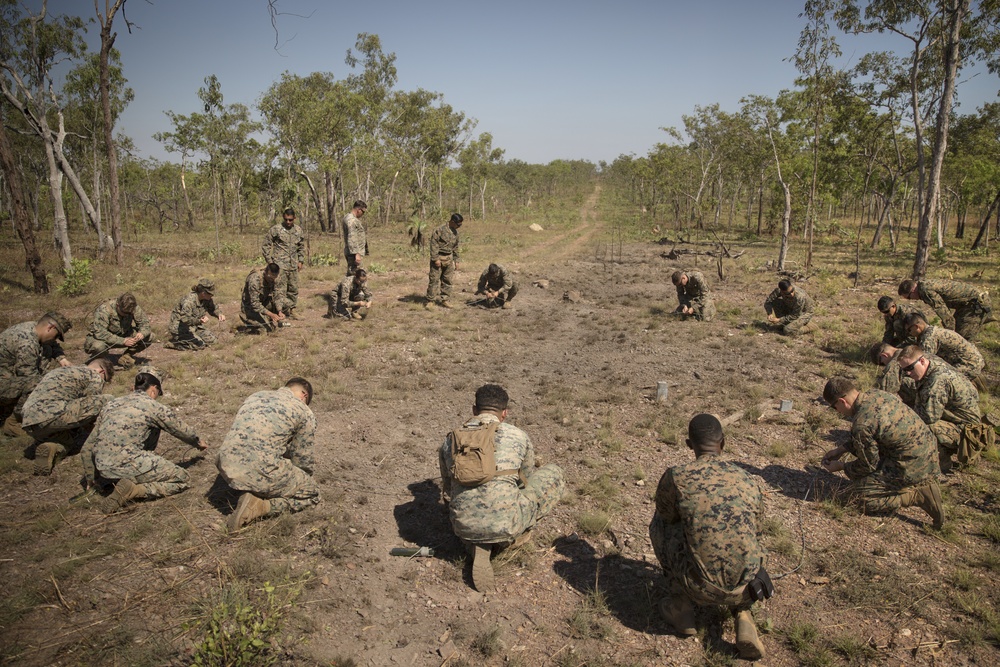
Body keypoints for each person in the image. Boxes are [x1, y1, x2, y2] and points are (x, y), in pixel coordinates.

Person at [648, 413, 768, 660]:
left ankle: (681, 607)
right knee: (747, 538)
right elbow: (757, 529)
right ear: (723, 443)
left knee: (660, 523)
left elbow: (667, 517)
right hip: (748, 587)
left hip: (698, 587)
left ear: (689, 445)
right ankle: (744, 615)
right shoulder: (747, 479)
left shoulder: (676, 476)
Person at [439, 384, 565, 592]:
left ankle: (476, 539)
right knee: (554, 473)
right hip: (506, 522)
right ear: (504, 413)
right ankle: (511, 536)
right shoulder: (517, 435)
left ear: (474, 410)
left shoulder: (451, 439)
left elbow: (447, 486)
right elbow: (527, 477)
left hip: (462, 525)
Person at [821, 377, 943, 528]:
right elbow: (876, 435)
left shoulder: (862, 423)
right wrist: (841, 449)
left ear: (842, 401)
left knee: (853, 498)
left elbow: (867, 466)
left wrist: (841, 466)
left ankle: (916, 496)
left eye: (834, 407)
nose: (837, 412)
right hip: (928, 453)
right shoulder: (877, 394)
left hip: (912, 467)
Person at [83, 366, 207, 513]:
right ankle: (135, 490)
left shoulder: (111, 404)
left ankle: (112, 483)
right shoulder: (153, 406)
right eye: (158, 393)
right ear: (154, 389)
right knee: (182, 479)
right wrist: (198, 442)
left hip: (102, 467)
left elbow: (88, 446)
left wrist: (92, 478)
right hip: (128, 462)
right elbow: (180, 429)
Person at [216, 378, 319, 531]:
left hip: (224, 463)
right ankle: (259, 506)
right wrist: (300, 478)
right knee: (311, 492)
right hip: (259, 468)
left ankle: (251, 487)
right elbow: (302, 460)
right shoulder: (304, 411)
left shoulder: (256, 396)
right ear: (304, 395)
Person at [898, 345, 984, 472]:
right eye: (905, 370)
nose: (908, 373)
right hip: (956, 420)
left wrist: (902, 420)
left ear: (922, 361)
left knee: (924, 428)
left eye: (910, 368)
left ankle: (941, 463)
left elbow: (928, 418)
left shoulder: (937, 381)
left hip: (968, 432)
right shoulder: (930, 369)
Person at [21, 357, 114, 476]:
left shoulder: (63, 370)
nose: (103, 384)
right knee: (106, 399)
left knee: (67, 441)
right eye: (104, 380)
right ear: (102, 372)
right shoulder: (94, 375)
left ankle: (51, 447)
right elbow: (92, 404)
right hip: (52, 413)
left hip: (29, 421)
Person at [0, 312, 72, 437]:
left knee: (47, 348)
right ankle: (14, 422)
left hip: (9, 377)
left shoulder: (35, 327)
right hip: (3, 383)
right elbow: (28, 377)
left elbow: (53, 345)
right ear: (50, 328)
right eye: (56, 336)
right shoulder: (26, 343)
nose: (55, 339)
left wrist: (62, 359)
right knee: (38, 384)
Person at [898, 278, 994, 341]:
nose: (913, 300)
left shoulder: (925, 290)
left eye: (910, 297)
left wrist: (948, 334)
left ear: (912, 290)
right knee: (957, 333)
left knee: (961, 339)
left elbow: (943, 312)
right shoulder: (924, 285)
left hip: (976, 305)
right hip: (966, 306)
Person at [903, 312, 985, 384]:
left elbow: (924, 363)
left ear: (917, 326)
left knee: (937, 379)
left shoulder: (929, 338)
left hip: (969, 364)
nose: (909, 333)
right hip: (970, 360)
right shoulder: (931, 331)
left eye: (909, 330)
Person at [84, 292, 153, 368]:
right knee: (99, 347)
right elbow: (100, 333)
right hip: (103, 338)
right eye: (124, 312)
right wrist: (122, 341)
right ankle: (98, 361)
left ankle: (126, 356)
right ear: (118, 305)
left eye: (129, 313)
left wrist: (142, 333)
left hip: (125, 333)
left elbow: (145, 325)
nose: (127, 314)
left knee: (150, 337)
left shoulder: (133, 307)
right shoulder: (104, 309)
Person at [261, 207, 305, 319]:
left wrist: (300, 260)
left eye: (290, 220)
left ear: (294, 218)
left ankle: (292, 310)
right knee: (279, 289)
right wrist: (270, 262)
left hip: (293, 264)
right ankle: (278, 311)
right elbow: (266, 244)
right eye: (286, 219)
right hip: (280, 265)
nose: (288, 222)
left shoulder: (298, 230)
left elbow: (301, 246)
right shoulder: (276, 229)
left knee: (293, 289)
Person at [166, 278, 226, 350]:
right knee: (199, 345)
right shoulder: (189, 302)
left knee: (213, 341)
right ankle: (175, 343)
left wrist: (219, 314)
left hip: (195, 326)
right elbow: (185, 319)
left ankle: (192, 338)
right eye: (210, 294)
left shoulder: (206, 299)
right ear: (203, 293)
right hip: (181, 328)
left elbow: (213, 308)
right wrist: (199, 321)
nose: (212, 296)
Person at [426, 213, 463, 309]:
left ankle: (445, 300)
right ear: (452, 221)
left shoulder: (455, 233)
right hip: (439, 258)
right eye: (458, 224)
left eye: (460, 225)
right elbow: (433, 244)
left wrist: (456, 260)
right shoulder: (439, 230)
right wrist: (435, 259)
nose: (459, 227)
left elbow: (455, 247)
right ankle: (430, 300)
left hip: (449, 259)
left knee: (448, 280)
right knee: (434, 280)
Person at [240, 263, 285, 333]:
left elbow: (278, 294)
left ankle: (267, 317)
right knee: (266, 330)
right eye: (270, 278)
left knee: (287, 305)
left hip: (264, 301)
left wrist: (279, 310)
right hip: (250, 307)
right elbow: (255, 304)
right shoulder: (254, 279)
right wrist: (271, 314)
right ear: (265, 273)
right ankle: (245, 322)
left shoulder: (276, 277)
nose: (272, 280)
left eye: (274, 277)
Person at [342, 200, 367, 276]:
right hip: (353, 253)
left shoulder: (348, 217)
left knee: (353, 274)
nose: (363, 214)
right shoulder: (351, 220)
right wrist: (356, 253)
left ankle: (346, 287)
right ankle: (345, 288)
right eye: (363, 212)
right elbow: (352, 237)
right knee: (356, 275)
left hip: (352, 252)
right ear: (359, 210)